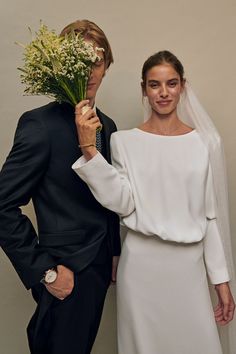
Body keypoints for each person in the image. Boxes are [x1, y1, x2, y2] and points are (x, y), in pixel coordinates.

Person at [72, 50, 235, 354]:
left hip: (189, 269)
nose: (163, 93)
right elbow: (123, 203)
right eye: (154, 85)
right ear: (143, 89)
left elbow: (210, 217)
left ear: (182, 86)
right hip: (141, 270)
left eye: (171, 84)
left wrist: (221, 282)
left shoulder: (203, 143)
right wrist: (90, 152)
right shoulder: (124, 142)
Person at [0, 19, 120, 354]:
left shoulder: (107, 125)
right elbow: (2, 206)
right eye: (81, 63)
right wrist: (47, 274)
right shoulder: (39, 124)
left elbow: (106, 195)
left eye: (98, 62)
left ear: (107, 65)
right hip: (65, 271)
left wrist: (114, 251)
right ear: (63, 68)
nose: (91, 71)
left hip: (97, 273)